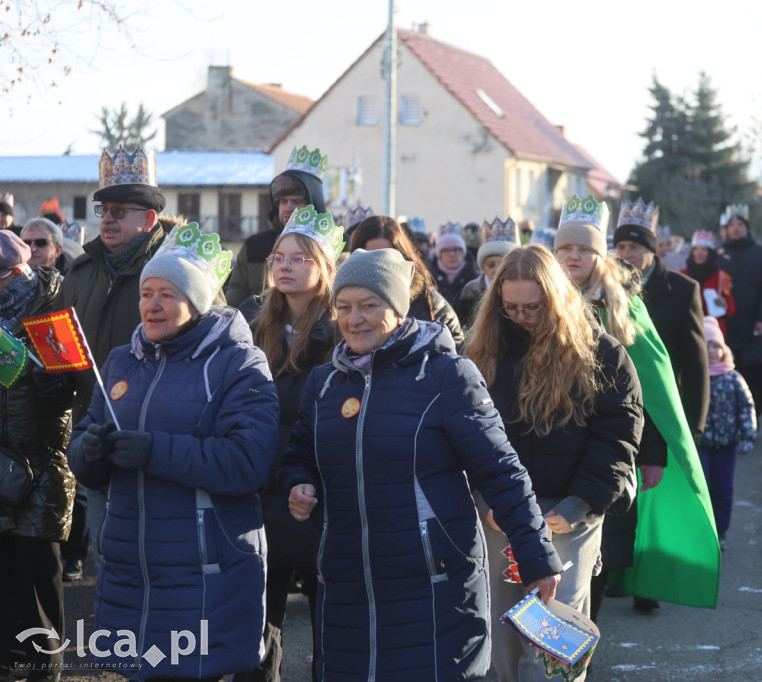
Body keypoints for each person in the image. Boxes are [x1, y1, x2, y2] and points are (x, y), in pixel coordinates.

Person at [279, 247, 562, 680]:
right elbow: (300, 453)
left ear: (397, 307)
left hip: (434, 586)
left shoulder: (447, 376)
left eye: (369, 305)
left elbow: (501, 471)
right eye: (344, 307)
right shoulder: (324, 383)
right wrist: (297, 483)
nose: (354, 319)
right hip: (348, 587)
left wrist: (536, 557)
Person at [66, 223, 279, 679]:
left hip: (203, 572)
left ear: (197, 301)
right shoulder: (123, 360)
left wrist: (152, 451)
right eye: (146, 292)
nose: (152, 305)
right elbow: (81, 448)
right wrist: (92, 449)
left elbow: (248, 462)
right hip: (131, 573)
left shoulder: (237, 362)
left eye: (167, 293)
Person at [464, 244, 644, 682]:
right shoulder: (481, 352)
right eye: (511, 308)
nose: (522, 318)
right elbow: (464, 434)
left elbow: (618, 436)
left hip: (567, 516)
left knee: (552, 652)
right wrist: (482, 497)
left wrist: (578, 505)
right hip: (496, 517)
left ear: (558, 298)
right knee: (501, 642)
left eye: (533, 308)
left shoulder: (602, 353)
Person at [557, 196, 718, 617]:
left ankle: (577, 656)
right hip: (547, 447)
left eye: (584, 248)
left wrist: (656, 451)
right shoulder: (537, 297)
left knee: (594, 559)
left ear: (599, 253)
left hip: (607, 448)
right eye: (566, 248)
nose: (574, 257)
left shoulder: (624, 306)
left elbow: (651, 384)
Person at [234, 205, 344, 682]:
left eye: (299, 258)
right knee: (257, 624)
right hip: (260, 489)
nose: (283, 264)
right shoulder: (251, 323)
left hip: (322, 493)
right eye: (278, 256)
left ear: (324, 266)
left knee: (333, 623)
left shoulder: (344, 327)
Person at [57, 145, 169, 567]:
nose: (106, 218)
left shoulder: (177, 271)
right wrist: (57, 375)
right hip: (97, 440)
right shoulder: (80, 273)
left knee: (163, 565)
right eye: (103, 209)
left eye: (119, 211)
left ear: (149, 219)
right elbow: (65, 346)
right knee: (111, 562)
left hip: (159, 442)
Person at [0, 232, 76, 681]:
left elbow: (70, 392)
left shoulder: (50, 312)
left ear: (12, 275)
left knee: (36, 571)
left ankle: (45, 666)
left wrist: (43, 376)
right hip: (1, 462)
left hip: (39, 465)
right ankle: (9, 661)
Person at [614, 201, 709, 437]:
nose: (626, 254)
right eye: (621, 246)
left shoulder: (683, 290)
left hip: (663, 410)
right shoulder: (604, 288)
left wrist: (693, 424)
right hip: (617, 411)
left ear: (651, 249)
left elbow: (694, 364)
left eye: (634, 246)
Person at [225, 145, 327, 306]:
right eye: (282, 201)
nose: (288, 207)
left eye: (296, 200)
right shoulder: (254, 245)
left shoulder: (336, 244)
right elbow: (235, 301)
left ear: (314, 202)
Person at [348, 214, 465, 349]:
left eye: (387, 257)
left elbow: (456, 355)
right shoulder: (343, 305)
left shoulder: (432, 304)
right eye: (371, 258)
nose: (379, 267)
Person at [696, 317, 756, 549]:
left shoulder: (733, 378)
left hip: (726, 444)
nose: (711, 352)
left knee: (723, 487)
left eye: (716, 346)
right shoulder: (696, 377)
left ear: (723, 349)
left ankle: (720, 530)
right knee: (704, 487)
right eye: (707, 345)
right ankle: (704, 529)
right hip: (701, 443)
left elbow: (746, 406)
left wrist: (748, 435)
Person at [718, 214, 762, 417]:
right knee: (728, 375)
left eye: (740, 224)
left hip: (754, 329)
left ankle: (754, 419)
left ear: (747, 228)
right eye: (732, 225)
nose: (735, 228)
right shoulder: (719, 254)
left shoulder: (761, 253)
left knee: (756, 379)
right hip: (727, 329)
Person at [455, 216, 519, 328]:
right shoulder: (470, 291)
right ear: (483, 266)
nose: (497, 270)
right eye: (490, 265)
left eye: (503, 264)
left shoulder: (523, 289)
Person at [681, 229, 735, 339]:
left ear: (710, 253)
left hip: (713, 333)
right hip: (688, 328)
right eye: (696, 249)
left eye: (704, 250)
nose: (699, 253)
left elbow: (731, 309)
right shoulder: (682, 274)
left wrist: (723, 304)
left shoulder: (722, 277)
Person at [430, 221, 479, 307]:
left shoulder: (475, 280)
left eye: (456, 249)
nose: (452, 254)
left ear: (463, 252)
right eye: (446, 250)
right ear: (439, 254)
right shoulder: (429, 279)